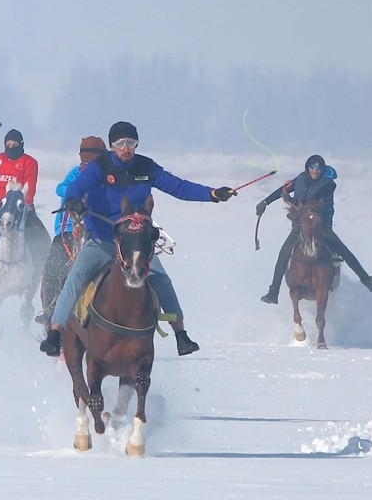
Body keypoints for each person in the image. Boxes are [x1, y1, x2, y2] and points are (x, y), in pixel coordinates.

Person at [39, 121, 235, 358]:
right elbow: (77, 186)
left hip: (136, 243)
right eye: (120, 144)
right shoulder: (100, 167)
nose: (126, 148)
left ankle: (181, 335)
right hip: (103, 239)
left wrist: (211, 194)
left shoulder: (146, 167)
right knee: (77, 276)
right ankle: (56, 332)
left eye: (131, 143)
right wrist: (72, 199)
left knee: (161, 278)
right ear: (112, 146)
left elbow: (179, 188)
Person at [256, 154, 372, 304]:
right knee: (283, 253)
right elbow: (283, 189)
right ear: (307, 168)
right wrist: (265, 202)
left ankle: (367, 280)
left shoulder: (328, 184)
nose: (315, 170)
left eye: (318, 167)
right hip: (300, 226)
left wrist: (292, 200)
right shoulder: (300, 179)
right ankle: (273, 292)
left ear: (322, 169)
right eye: (312, 167)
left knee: (343, 250)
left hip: (321, 226)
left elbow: (313, 198)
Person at [34, 136, 106, 328]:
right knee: (52, 271)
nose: (87, 162)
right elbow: (61, 188)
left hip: (99, 232)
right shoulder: (76, 172)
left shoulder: (108, 176)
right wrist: (77, 193)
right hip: (67, 232)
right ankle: (50, 311)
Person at [0, 128, 50, 285]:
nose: (11, 147)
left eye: (14, 145)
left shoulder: (29, 162)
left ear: (21, 145)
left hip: (22, 209)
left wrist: (24, 205)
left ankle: (46, 271)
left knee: (43, 238)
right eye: (8, 144)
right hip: (2, 209)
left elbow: (30, 188)